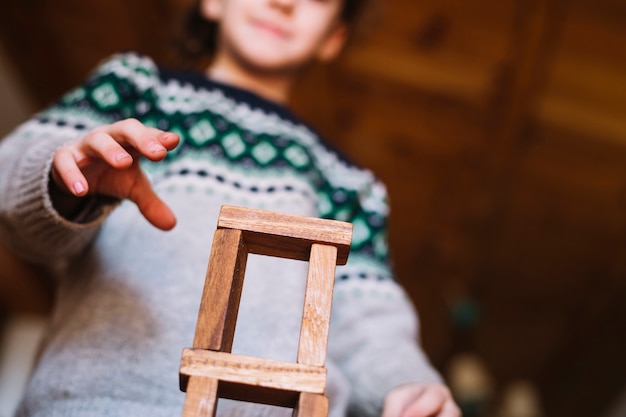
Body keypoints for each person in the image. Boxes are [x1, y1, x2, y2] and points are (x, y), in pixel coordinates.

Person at [0, 0, 460, 416]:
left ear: (333, 38)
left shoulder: (349, 185)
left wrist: (406, 383)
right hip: (94, 404)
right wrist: (66, 183)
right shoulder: (137, 90)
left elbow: (369, 315)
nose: (284, 3)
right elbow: (15, 194)